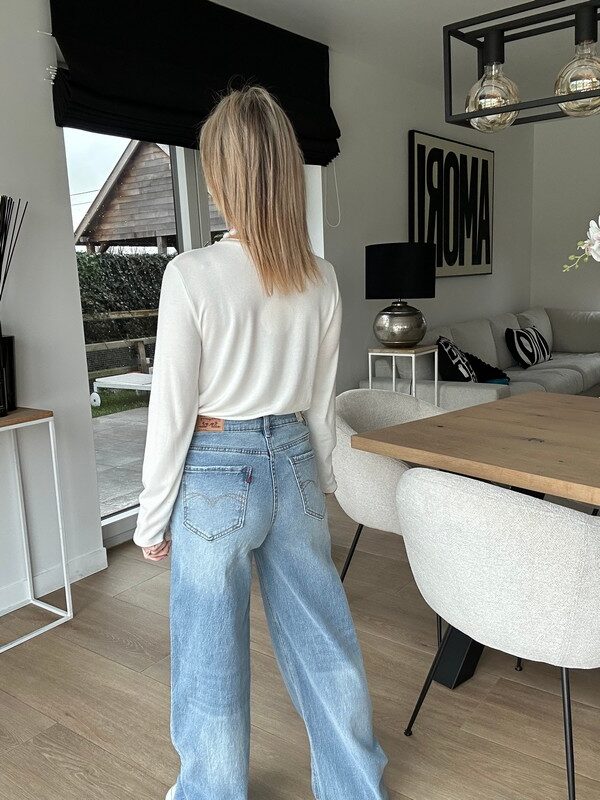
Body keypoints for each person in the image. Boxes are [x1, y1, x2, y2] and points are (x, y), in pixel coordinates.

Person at [133, 85, 389, 800]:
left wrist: (151, 518)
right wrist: (322, 482)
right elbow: (320, 400)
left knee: (209, 649)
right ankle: (354, 786)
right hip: (296, 461)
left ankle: (213, 792)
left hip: (215, 471)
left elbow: (171, 411)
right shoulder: (321, 277)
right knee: (322, 637)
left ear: (219, 176)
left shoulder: (190, 275)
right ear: (283, 170)